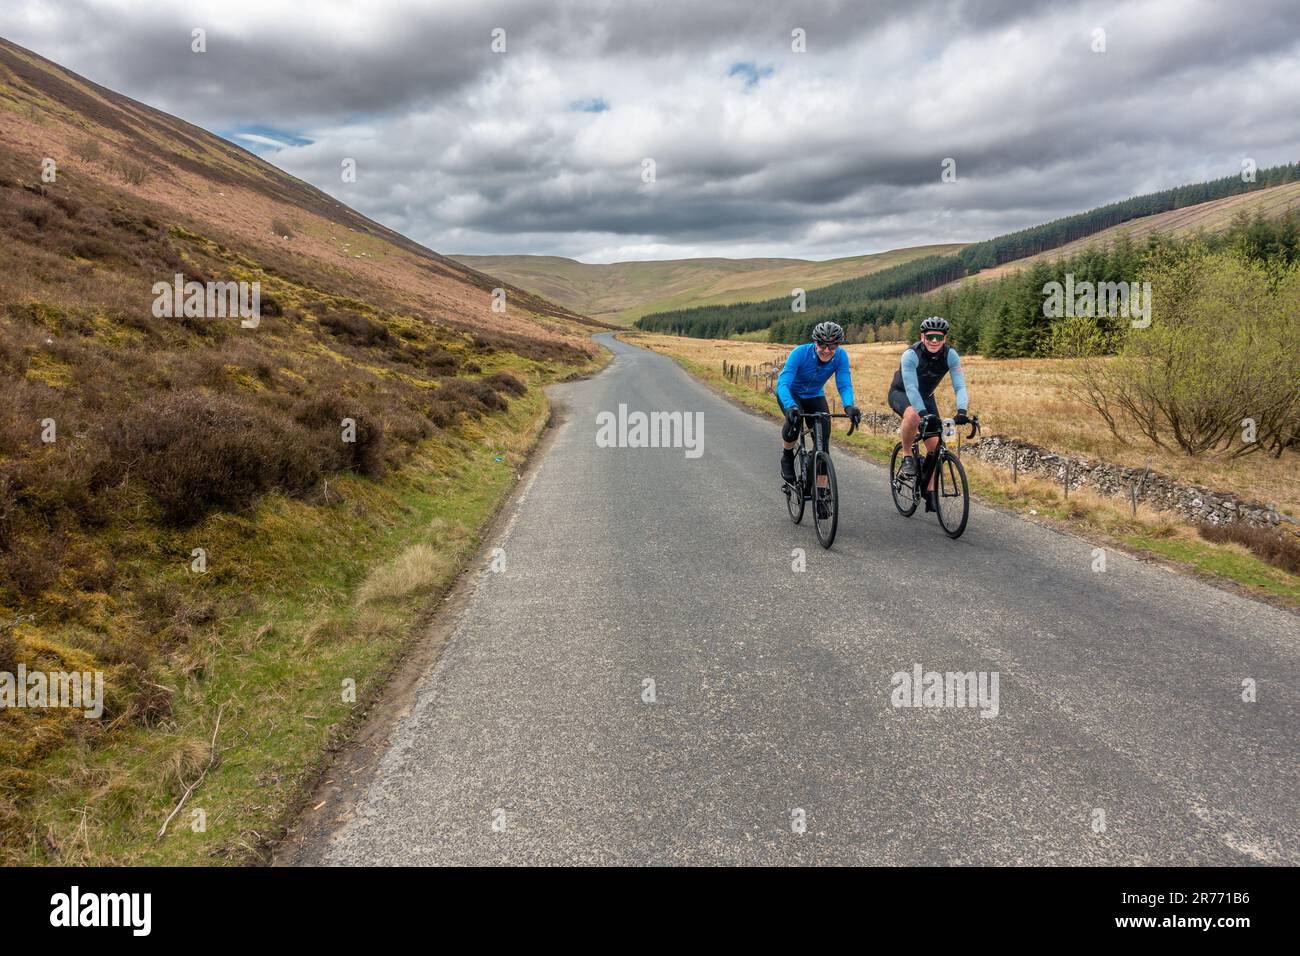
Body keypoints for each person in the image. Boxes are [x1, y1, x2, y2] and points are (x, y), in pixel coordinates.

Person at [776, 322, 861, 516]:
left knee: (823, 448)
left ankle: (821, 494)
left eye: (832, 346)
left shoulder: (840, 356)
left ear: (838, 346)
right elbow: (783, 383)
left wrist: (849, 406)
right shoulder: (800, 353)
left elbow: (844, 383)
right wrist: (790, 407)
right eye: (822, 345)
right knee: (794, 423)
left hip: (815, 395)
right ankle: (787, 456)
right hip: (792, 393)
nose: (826, 350)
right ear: (815, 342)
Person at [887, 316, 971, 511]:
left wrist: (962, 411)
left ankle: (930, 492)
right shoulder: (911, 354)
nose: (934, 341)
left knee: (935, 448)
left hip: (926, 396)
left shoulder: (951, 355)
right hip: (902, 393)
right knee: (913, 416)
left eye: (939, 337)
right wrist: (924, 413)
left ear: (945, 338)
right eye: (930, 336)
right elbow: (911, 387)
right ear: (922, 337)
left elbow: (960, 386)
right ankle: (907, 455)